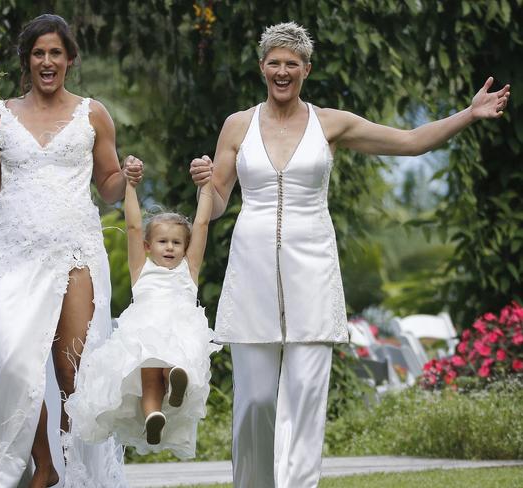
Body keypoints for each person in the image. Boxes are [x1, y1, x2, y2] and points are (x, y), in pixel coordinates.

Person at [189, 21, 510, 488]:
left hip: (312, 271)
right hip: (252, 271)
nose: (282, 71)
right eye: (274, 63)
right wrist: (205, 184)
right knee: (254, 401)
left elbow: (410, 142)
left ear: (306, 69)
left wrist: (468, 113)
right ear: (262, 68)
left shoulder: (330, 123)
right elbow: (217, 204)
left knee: (304, 394)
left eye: (292, 64)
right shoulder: (237, 125)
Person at [0, 14, 140, 488]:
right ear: (27, 60)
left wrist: (129, 177)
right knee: (16, 362)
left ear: (70, 60)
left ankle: (70, 465)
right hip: (13, 253)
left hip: (75, 250)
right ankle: (44, 464)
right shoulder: (1, 114)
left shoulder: (93, 113)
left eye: (56, 52)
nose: (47, 61)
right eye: (38, 53)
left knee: (70, 368)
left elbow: (109, 186)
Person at [65, 157, 221, 460]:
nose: (170, 247)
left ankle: (174, 375)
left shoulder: (188, 270)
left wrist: (205, 188)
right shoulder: (142, 269)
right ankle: (153, 417)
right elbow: (134, 226)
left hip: (173, 330)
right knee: (149, 379)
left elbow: (201, 224)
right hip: (146, 333)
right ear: (148, 247)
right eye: (163, 241)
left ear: (186, 248)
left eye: (177, 243)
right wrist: (131, 187)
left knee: (160, 367)